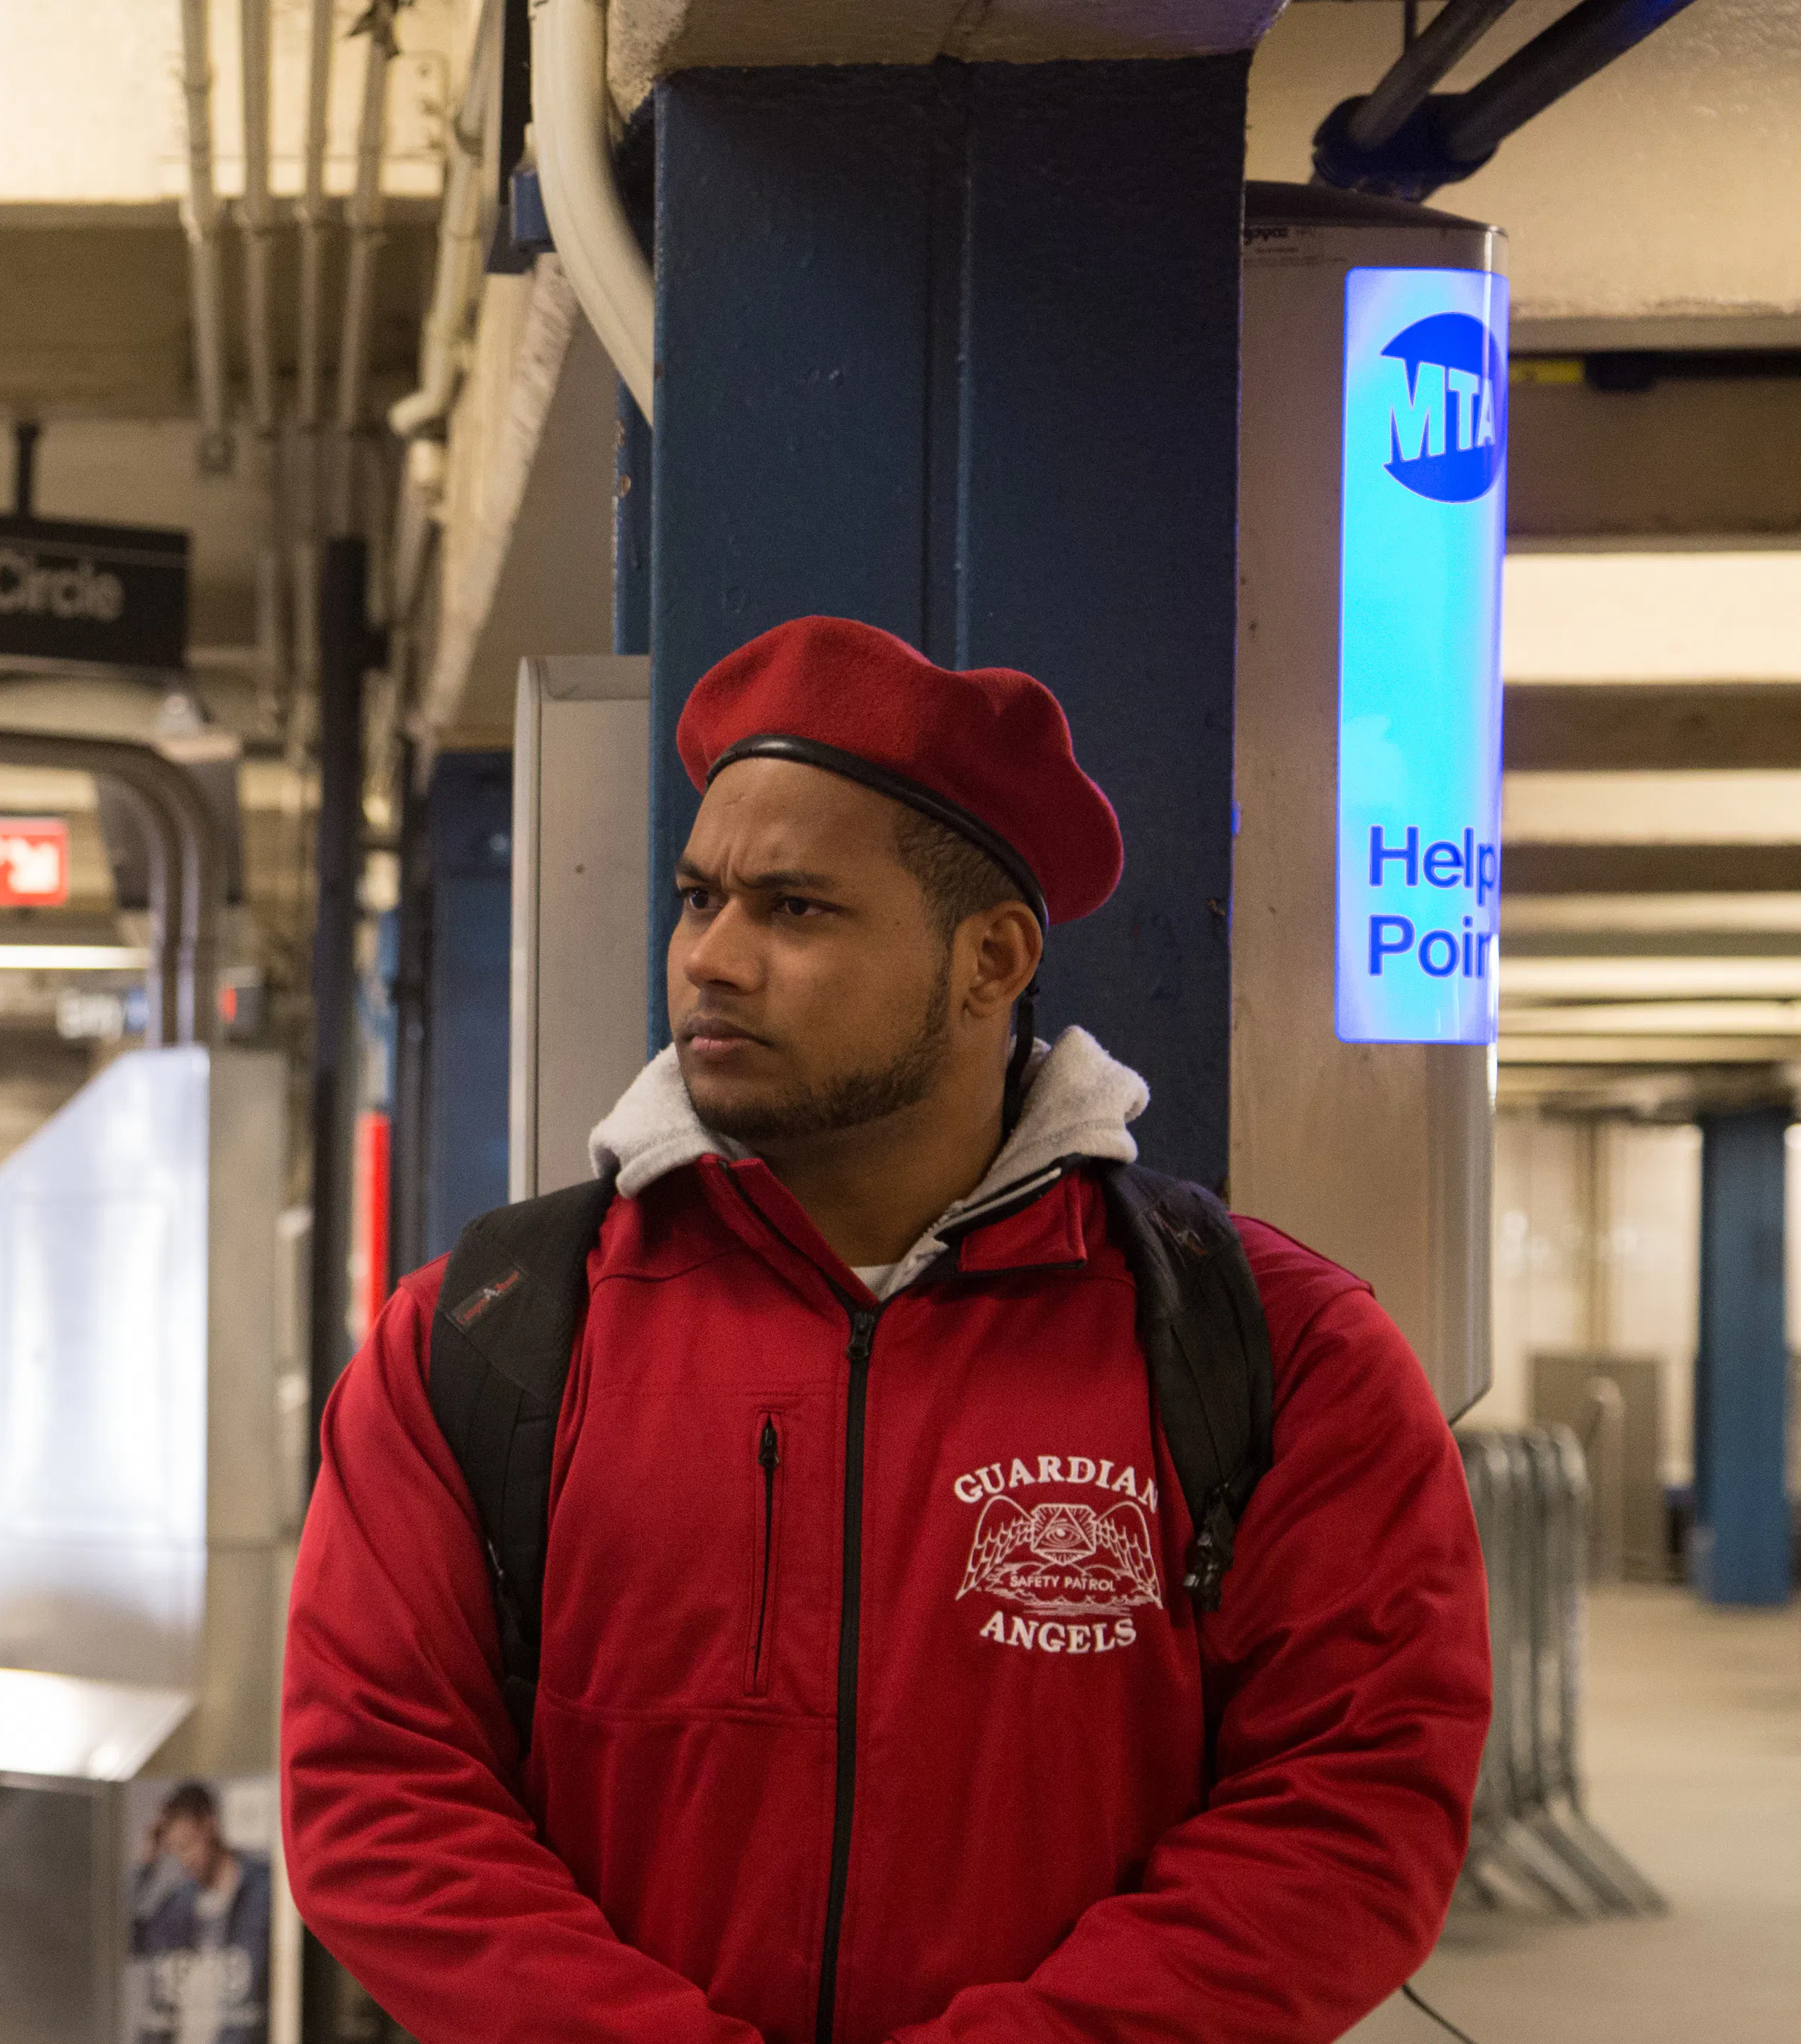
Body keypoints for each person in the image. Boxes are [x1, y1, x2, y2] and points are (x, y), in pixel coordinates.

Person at [283, 616, 1493, 2044]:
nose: (711, 960)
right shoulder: (484, 1335)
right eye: (697, 897)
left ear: (989, 960)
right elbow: (379, 1788)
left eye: (794, 908)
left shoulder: (1275, 1349)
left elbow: (1351, 1804)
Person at [127, 1782, 274, 2044]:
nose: (185, 1860)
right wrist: (144, 1867)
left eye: (188, 1845)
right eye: (176, 1851)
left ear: (209, 1827)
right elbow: (118, 1941)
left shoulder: (263, 1892)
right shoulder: (177, 1906)